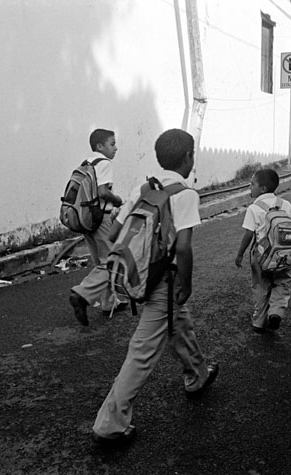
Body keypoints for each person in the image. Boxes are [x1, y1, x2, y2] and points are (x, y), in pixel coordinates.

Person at [91, 128, 219, 448]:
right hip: (165, 279)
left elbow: (114, 233)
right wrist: (185, 283)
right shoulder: (185, 194)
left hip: (142, 276)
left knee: (179, 324)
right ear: (188, 157)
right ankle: (110, 424)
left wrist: (138, 263)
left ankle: (198, 373)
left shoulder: (143, 188)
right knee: (142, 351)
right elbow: (185, 247)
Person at [69, 129, 127, 326]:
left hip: (87, 218)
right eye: (112, 144)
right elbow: (103, 192)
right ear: (100, 147)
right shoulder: (104, 163)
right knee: (110, 263)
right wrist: (118, 200)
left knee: (101, 262)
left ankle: (109, 303)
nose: (116, 148)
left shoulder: (86, 163)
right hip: (101, 218)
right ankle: (82, 294)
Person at [234, 169, 291, 334]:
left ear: (262, 189)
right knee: (282, 283)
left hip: (260, 257)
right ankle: (276, 312)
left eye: (252, 184)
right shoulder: (286, 204)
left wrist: (240, 254)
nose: (250, 186)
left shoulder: (254, 208)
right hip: (282, 255)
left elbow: (248, 234)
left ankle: (259, 322)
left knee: (260, 287)